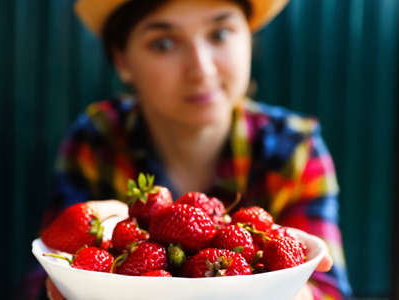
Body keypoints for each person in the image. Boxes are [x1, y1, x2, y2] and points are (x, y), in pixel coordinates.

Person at [24, 0, 353, 299]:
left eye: (220, 34)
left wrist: (296, 291)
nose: (201, 69)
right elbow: (46, 278)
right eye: (164, 43)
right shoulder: (97, 139)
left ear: (248, 41)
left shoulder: (294, 146)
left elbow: (328, 290)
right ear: (122, 60)